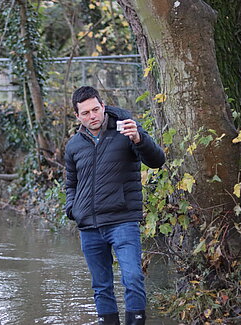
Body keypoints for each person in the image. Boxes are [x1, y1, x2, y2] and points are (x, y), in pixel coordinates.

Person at [64, 86, 165, 325]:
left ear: (103, 106)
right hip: (89, 226)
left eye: (96, 109)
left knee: (132, 278)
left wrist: (139, 138)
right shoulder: (73, 146)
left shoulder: (126, 129)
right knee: (101, 286)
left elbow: (157, 161)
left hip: (123, 221)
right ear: (77, 116)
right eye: (86, 112)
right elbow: (70, 184)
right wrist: (73, 209)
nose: (92, 116)